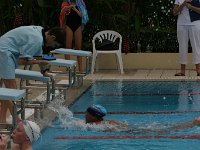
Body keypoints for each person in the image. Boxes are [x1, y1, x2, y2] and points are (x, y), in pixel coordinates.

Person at [0, 26, 66, 123]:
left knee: (8, 90)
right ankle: (18, 123)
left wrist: (44, 71)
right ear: (52, 38)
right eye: (54, 45)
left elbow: (37, 56)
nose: (52, 47)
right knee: (12, 91)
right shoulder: (37, 40)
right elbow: (21, 61)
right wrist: (39, 61)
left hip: (5, 48)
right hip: (4, 51)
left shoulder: (40, 32)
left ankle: (2, 120)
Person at [59, 0, 89, 72]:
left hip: (77, 26)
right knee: (68, 47)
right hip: (69, 25)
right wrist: (67, 8)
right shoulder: (65, 3)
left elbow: (82, 15)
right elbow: (62, 13)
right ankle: (68, 67)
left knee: (78, 47)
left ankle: (80, 68)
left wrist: (75, 9)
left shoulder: (80, 3)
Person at [173, 0, 200, 76]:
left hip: (195, 24)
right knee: (182, 47)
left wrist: (191, 7)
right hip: (181, 24)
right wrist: (184, 4)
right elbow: (175, 12)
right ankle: (182, 71)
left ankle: (198, 70)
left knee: (196, 46)